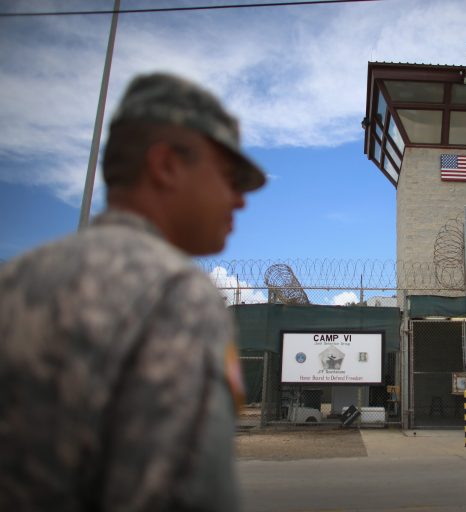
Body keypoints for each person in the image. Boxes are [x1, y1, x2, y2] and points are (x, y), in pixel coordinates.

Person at [0, 72, 266, 511]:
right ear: (165, 165)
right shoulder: (174, 295)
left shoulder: (16, 280)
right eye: (229, 175)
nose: (239, 200)